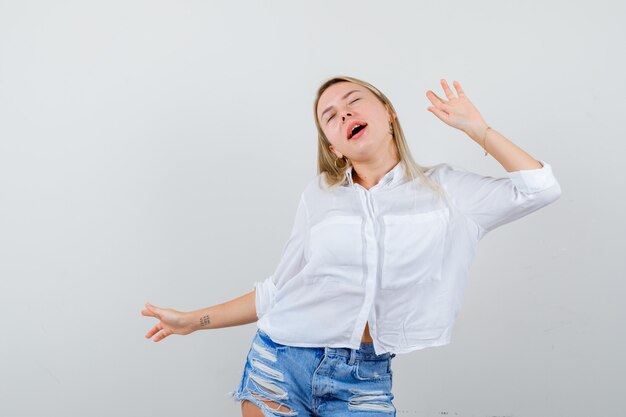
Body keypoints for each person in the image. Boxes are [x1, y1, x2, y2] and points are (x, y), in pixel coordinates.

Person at [141, 76, 562, 416]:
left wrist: (478, 130)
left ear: (388, 113)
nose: (344, 113)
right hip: (281, 360)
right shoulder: (320, 196)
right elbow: (277, 290)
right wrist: (192, 321)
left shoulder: (447, 190)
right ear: (333, 147)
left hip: (364, 377)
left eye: (353, 100)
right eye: (330, 116)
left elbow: (540, 189)